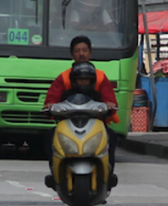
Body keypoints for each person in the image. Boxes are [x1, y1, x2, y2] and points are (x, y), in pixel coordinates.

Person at [43, 36, 119, 177]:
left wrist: (109, 105)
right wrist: (51, 106)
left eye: (84, 50)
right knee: (50, 136)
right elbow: (51, 100)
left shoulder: (101, 76)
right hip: (67, 124)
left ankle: (108, 174)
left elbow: (110, 100)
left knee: (111, 136)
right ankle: (55, 173)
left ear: (90, 53)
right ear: (72, 55)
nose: (81, 54)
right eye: (77, 51)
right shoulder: (63, 77)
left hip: (96, 123)